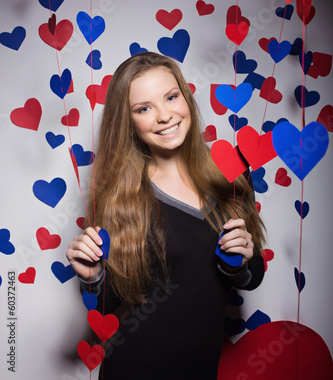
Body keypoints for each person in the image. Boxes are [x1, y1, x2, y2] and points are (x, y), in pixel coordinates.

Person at [66, 52, 266, 380]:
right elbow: (106, 306)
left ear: (185, 97)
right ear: (129, 121)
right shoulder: (123, 196)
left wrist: (241, 261)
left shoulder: (230, 173)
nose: (164, 116)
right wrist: (93, 275)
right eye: (144, 108)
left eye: (171, 97)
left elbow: (253, 275)